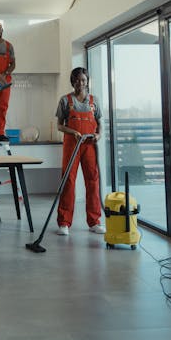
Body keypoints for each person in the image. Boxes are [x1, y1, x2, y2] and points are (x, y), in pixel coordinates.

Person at [55, 67, 105, 235]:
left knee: (93, 181)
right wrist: (73, 132)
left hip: (90, 145)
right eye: (77, 80)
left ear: (87, 81)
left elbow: (100, 122)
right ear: (72, 81)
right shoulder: (65, 101)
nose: (80, 83)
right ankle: (64, 222)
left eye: (83, 80)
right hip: (72, 144)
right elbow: (59, 125)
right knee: (68, 180)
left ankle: (94, 221)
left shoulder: (94, 101)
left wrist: (99, 135)